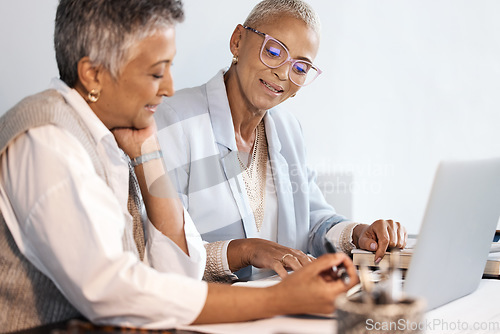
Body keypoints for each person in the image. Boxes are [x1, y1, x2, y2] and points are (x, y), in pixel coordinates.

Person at [0, 0, 358, 332]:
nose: (170, 88)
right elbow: (114, 292)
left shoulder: (111, 138)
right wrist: (277, 298)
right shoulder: (47, 143)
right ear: (93, 75)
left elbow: (179, 271)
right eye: (157, 73)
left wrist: (146, 153)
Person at [155, 0, 407, 280]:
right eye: (274, 52)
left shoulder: (288, 130)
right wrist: (245, 250)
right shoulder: (173, 119)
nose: (283, 74)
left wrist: (359, 234)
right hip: (214, 312)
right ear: (237, 41)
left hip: (287, 307)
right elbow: (162, 250)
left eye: (300, 68)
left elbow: (313, 222)